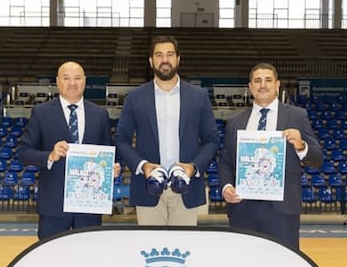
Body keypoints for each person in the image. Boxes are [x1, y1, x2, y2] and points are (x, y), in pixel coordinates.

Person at [114, 35, 219, 226]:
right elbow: (121, 139)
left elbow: (212, 140)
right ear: (151, 61)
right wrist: (143, 165)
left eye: (170, 54)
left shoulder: (199, 96)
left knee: (183, 252)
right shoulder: (135, 98)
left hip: (186, 189)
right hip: (149, 189)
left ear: (178, 59)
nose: (164, 60)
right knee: (150, 251)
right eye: (159, 55)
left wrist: (193, 167)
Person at [218, 62, 323, 250]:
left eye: (268, 80)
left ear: (277, 85)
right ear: (250, 86)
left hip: (282, 210)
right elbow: (225, 161)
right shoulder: (235, 122)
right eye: (257, 81)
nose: (262, 85)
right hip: (243, 209)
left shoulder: (297, 116)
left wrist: (301, 146)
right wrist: (226, 187)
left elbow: (317, 159)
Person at [19, 61, 120, 239]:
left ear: (85, 81)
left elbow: (109, 151)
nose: (72, 83)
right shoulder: (41, 112)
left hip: (90, 205)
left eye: (77, 78)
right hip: (54, 205)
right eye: (66, 78)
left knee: (87, 260)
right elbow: (25, 152)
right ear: (58, 82)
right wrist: (49, 155)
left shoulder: (100, 114)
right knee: (52, 261)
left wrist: (113, 167)